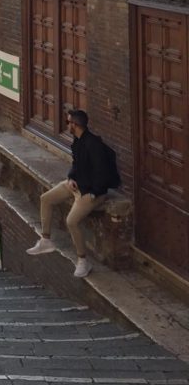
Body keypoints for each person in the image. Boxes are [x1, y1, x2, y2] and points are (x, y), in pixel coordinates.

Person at [26, 109, 116, 278]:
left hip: (91, 192)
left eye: (69, 123)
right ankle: (45, 240)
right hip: (76, 185)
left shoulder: (94, 145)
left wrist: (94, 193)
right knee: (46, 199)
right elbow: (76, 164)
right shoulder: (77, 141)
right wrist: (70, 178)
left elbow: (102, 174)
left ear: (75, 125)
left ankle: (83, 260)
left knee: (71, 221)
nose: (67, 125)